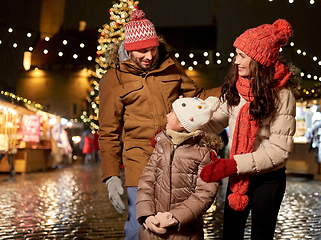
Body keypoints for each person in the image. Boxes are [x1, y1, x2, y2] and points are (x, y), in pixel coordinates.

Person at [98, 9, 220, 240]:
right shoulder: (113, 80)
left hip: (175, 158)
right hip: (139, 160)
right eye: (142, 50)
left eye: (152, 48)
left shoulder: (170, 66)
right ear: (129, 49)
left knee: (176, 227)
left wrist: (230, 90)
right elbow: (108, 132)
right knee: (139, 228)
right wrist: (111, 176)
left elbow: (197, 97)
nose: (148, 55)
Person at [199, 19, 300, 239]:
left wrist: (232, 165)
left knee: (260, 236)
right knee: (231, 234)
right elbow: (216, 123)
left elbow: (278, 151)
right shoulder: (238, 87)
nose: (235, 61)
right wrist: (190, 120)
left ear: (258, 59)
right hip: (238, 175)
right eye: (236, 54)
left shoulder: (283, 95)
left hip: (268, 179)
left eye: (242, 55)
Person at [136, 96, 222, 239]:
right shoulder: (161, 144)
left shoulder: (205, 153)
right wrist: (147, 216)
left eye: (172, 112)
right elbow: (146, 182)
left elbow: (205, 194)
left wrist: (174, 217)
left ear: (184, 123)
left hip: (185, 233)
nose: (167, 115)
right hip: (152, 230)